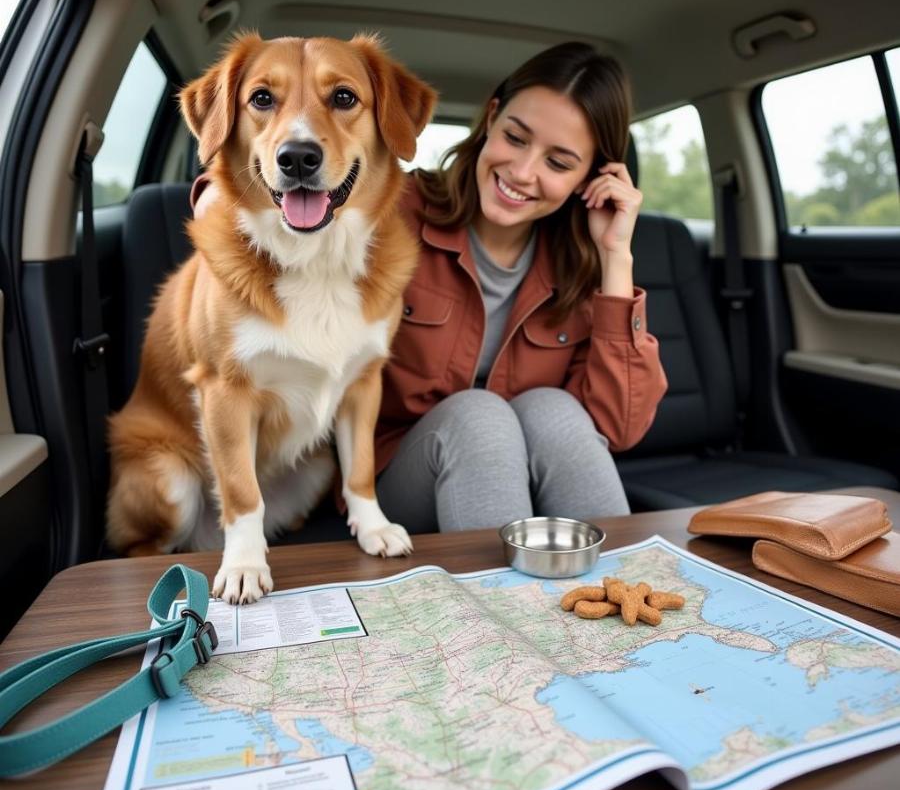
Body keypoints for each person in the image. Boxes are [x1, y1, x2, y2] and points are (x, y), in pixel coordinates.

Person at [195, 41, 668, 535]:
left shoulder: (581, 261)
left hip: (527, 477)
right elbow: (276, 183)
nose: (523, 173)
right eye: (516, 137)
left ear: (589, 178)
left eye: (559, 163)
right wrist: (211, 193)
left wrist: (617, 259)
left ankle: (622, 590)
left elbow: (615, 428)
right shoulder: (390, 210)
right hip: (404, 469)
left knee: (553, 410)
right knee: (478, 416)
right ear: (490, 119)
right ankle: (500, 607)